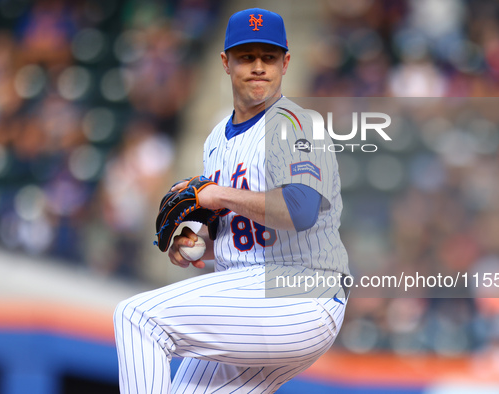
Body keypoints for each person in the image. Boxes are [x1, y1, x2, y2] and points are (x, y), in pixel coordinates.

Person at [114, 8, 350, 393]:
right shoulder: (216, 142)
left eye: (269, 57)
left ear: (286, 63)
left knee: (138, 318)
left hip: (301, 294)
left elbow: (301, 209)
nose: (258, 67)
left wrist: (218, 193)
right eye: (246, 57)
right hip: (254, 297)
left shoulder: (297, 124)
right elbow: (242, 236)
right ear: (225, 63)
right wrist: (197, 246)